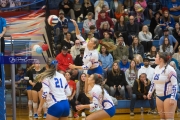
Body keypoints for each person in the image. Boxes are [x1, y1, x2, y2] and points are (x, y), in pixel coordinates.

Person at [147, 52, 178, 119]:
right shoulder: (156, 68)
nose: (155, 58)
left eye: (156, 57)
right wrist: (150, 92)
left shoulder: (170, 70)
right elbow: (153, 82)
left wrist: (172, 97)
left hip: (169, 96)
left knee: (169, 117)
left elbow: (175, 85)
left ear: (160, 59)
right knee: (162, 117)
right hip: (159, 96)